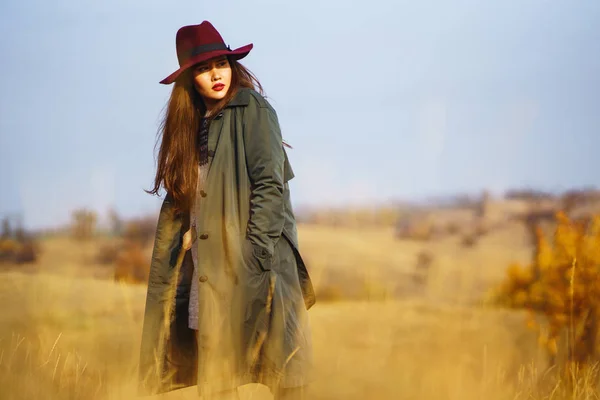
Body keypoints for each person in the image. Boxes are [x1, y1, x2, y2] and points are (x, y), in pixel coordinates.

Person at [137, 21, 316, 400]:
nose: (216, 74)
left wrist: (253, 259)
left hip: (258, 267)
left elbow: (270, 188)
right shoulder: (189, 127)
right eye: (203, 68)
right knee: (217, 382)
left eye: (221, 62)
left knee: (284, 376)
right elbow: (194, 194)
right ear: (190, 80)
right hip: (210, 273)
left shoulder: (252, 109)